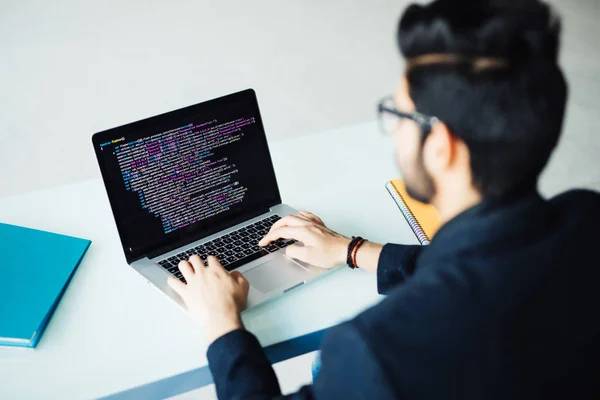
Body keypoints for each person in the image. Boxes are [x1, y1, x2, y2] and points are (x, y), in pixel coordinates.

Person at [167, 0, 600, 398]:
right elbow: (483, 264)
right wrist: (353, 251)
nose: (393, 128)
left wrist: (222, 324)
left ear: (440, 147)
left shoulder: (378, 350)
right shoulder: (586, 217)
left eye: (400, 113)